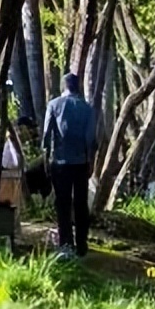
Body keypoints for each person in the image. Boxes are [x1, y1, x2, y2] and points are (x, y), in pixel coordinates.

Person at [42, 73, 97, 259]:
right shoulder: (87, 109)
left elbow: (46, 135)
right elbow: (91, 139)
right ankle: (82, 244)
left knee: (63, 203)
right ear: (78, 86)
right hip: (81, 163)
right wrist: (91, 162)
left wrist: (46, 158)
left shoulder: (54, 105)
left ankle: (66, 244)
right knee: (81, 204)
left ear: (63, 86)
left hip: (60, 163)